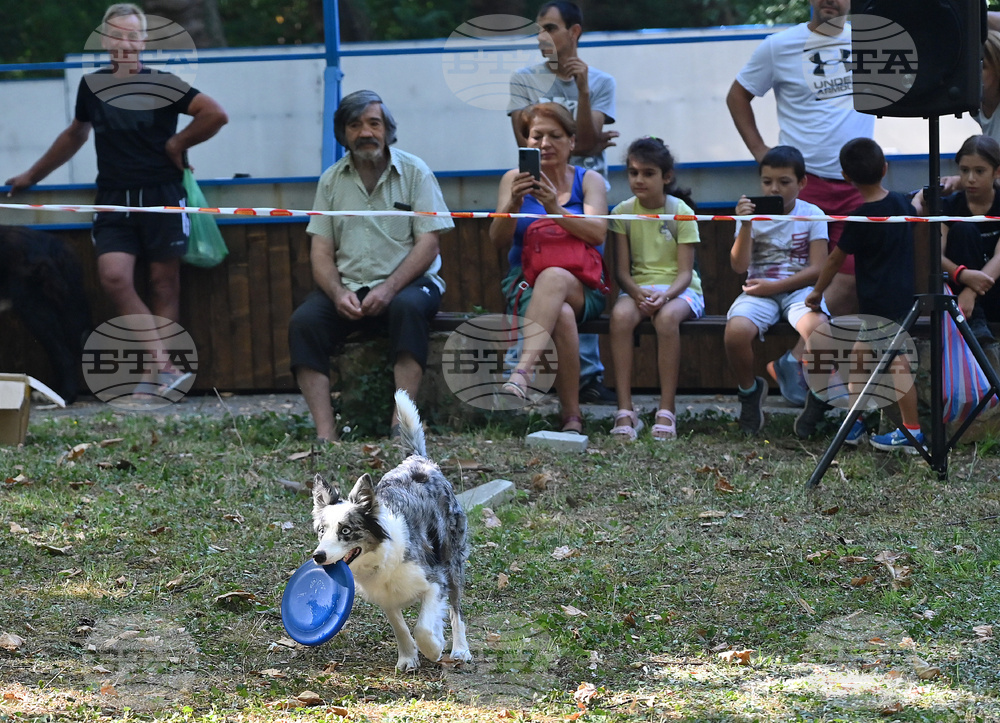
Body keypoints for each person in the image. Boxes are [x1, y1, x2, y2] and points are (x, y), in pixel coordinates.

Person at [5, 3, 228, 394]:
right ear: (106, 40)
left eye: (132, 35)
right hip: (111, 198)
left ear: (143, 41)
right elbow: (76, 134)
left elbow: (214, 114)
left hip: (163, 196)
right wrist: (30, 176)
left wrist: (178, 142)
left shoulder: (165, 82)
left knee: (164, 283)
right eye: (116, 35)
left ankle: (154, 380)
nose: (124, 43)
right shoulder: (91, 86)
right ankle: (164, 363)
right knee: (113, 277)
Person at [726, 0, 873, 402]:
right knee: (833, 280)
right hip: (807, 187)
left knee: (858, 281)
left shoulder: (872, 35)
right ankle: (821, 384)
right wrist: (762, 154)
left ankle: (796, 364)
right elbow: (737, 96)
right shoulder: (780, 44)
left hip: (860, 183)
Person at [287, 90, 454, 441]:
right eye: (355, 124)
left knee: (408, 308)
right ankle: (326, 433)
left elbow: (429, 242)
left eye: (374, 123)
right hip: (349, 287)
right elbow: (320, 250)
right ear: (342, 133)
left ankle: (401, 425)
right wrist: (336, 293)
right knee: (303, 323)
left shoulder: (415, 171)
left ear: (388, 130)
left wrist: (390, 287)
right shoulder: (331, 181)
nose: (365, 132)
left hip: (411, 284)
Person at [508, 0, 617, 403]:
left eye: (551, 28)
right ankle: (574, 400)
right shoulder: (523, 80)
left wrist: (583, 91)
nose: (543, 37)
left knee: (573, 263)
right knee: (559, 295)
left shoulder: (600, 81)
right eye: (539, 29)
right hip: (538, 196)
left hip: (584, 191)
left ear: (574, 33)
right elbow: (527, 146)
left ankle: (533, 374)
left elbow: (585, 144)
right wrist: (580, 141)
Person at [489, 103, 608, 434]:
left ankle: (522, 372)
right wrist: (513, 203)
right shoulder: (513, 180)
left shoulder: (590, 180)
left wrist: (554, 207)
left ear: (572, 142)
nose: (544, 144)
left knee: (555, 277)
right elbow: (497, 240)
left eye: (555, 136)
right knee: (562, 315)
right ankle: (572, 416)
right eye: (536, 136)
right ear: (526, 142)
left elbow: (597, 232)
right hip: (527, 283)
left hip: (584, 283)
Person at [800, 138, 923, 452]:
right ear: (885, 168)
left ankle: (912, 432)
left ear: (845, 177)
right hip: (901, 298)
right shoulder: (900, 204)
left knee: (896, 363)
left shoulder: (859, 218)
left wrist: (816, 292)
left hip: (881, 304)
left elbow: (834, 259)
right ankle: (853, 423)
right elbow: (917, 209)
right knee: (858, 356)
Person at [725, 146, 829, 435]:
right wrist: (745, 224)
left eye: (784, 182)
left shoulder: (812, 214)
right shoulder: (750, 215)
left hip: (799, 290)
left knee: (819, 331)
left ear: (802, 183)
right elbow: (738, 265)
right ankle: (749, 392)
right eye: (767, 182)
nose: (774, 189)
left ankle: (818, 398)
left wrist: (776, 286)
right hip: (759, 290)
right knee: (735, 333)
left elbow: (818, 268)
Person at [607, 137, 704, 442]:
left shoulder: (681, 211)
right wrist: (637, 293)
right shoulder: (621, 211)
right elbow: (622, 271)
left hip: (679, 290)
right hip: (639, 289)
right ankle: (625, 409)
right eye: (633, 172)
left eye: (648, 173)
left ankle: (667, 409)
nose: (639, 179)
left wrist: (666, 296)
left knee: (665, 319)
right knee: (620, 317)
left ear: (666, 176)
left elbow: (686, 273)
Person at [915, 135, 1000, 345]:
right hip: (958, 291)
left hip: (989, 289)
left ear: (996, 172)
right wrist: (961, 274)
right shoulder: (951, 206)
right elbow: (936, 253)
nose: (970, 178)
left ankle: (976, 314)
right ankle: (975, 320)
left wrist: (971, 291)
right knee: (963, 229)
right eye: (964, 170)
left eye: (979, 171)